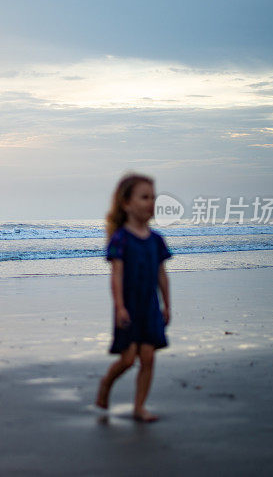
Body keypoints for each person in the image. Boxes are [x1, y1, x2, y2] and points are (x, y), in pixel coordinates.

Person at [95, 174, 172, 422]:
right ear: (126, 203)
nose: (150, 202)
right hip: (128, 307)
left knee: (148, 357)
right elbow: (116, 275)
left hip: (150, 307)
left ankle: (139, 407)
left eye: (153, 197)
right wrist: (119, 307)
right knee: (128, 359)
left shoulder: (156, 240)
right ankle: (107, 382)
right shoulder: (121, 239)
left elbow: (162, 275)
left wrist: (167, 305)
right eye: (144, 197)